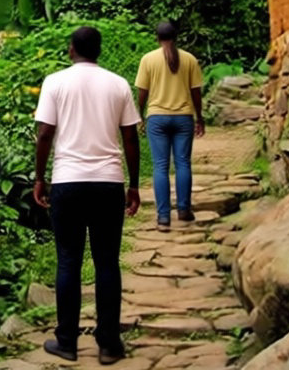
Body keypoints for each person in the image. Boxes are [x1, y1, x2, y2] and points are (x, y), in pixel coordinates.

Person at [33, 26, 141, 365]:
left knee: (68, 261)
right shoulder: (118, 84)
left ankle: (66, 341)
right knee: (107, 262)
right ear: (99, 50)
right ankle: (109, 344)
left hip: (67, 182)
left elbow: (45, 134)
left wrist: (40, 178)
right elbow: (130, 138)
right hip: (108, 183)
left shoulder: (54, 83)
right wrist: (133, 185)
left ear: (71, 50)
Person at [134, 21, 205, 231]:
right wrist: (199, 117)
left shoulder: (148, 59)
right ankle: (184, 210)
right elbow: (196, 93)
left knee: (160, 166)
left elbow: (142, 92)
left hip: (157, 118)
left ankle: (163, 217)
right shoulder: (189, 59)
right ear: (176, 37)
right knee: (183, 163)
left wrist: (140, 115)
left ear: (157, 38)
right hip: (183, 117)